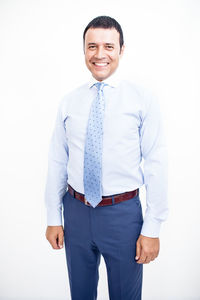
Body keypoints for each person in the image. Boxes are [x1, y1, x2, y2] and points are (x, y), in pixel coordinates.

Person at [45, 15, 168, 300]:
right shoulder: (69, 101)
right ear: (84, 50)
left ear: (121, 49)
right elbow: (57, 161)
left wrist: (153, 227)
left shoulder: (142, 99)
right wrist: (54, 217)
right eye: (92, 46)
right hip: (75, 212)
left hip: (122, 216)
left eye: (109, 46)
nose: (100, 54)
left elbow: (156, 163)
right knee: (81, 294)